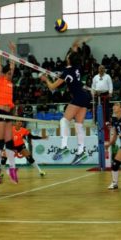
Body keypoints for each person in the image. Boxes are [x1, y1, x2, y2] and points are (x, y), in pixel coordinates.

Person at [40, 37, 92, 165]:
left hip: (79, 97)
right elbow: (74, 48)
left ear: (68, 59)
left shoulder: (67, 72)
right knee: (78, 125)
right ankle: (81, 151)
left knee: (64, 120)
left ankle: (63, 147)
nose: (67, 54)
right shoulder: (77, 67)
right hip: (85, 96)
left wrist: (45, 79)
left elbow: (52, 87)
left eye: (68, 54)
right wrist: (78, 42)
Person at [0, 41, 17, 184]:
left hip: (9, 112)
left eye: (10, 73)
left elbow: (12, 65)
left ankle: (11, 168)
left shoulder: (10, 81)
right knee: (0, 141)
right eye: (7, 73)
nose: (9, 74)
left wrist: (13, 51)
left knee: (10, 142)